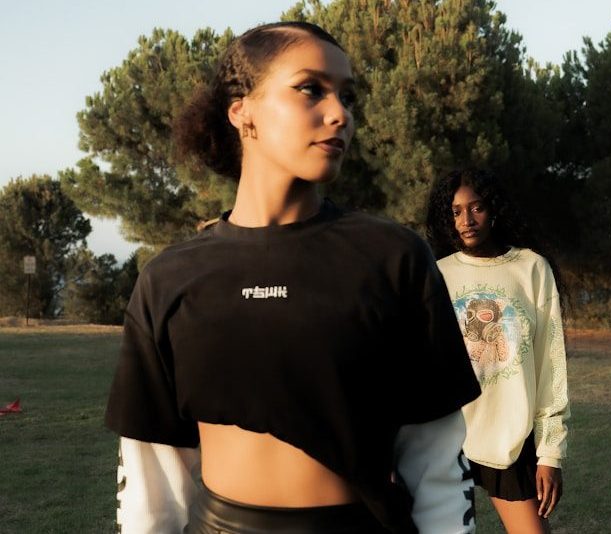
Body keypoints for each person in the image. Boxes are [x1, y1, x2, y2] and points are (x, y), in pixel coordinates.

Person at [104, 22, 481, 534]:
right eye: (311, 89)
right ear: (242, 110)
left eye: (347, 96)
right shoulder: (170, 278)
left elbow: (436, 459)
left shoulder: (393, 259)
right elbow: (154, 476)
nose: (339, 114)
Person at [425, 169, 570, 534]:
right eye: (456, 212)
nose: (466, 220)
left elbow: (550, 364)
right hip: (445, 439)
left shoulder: (531, 268)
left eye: (476, 208)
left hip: (510, 436)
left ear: (495, 210)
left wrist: (550, 452)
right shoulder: (436, 273)